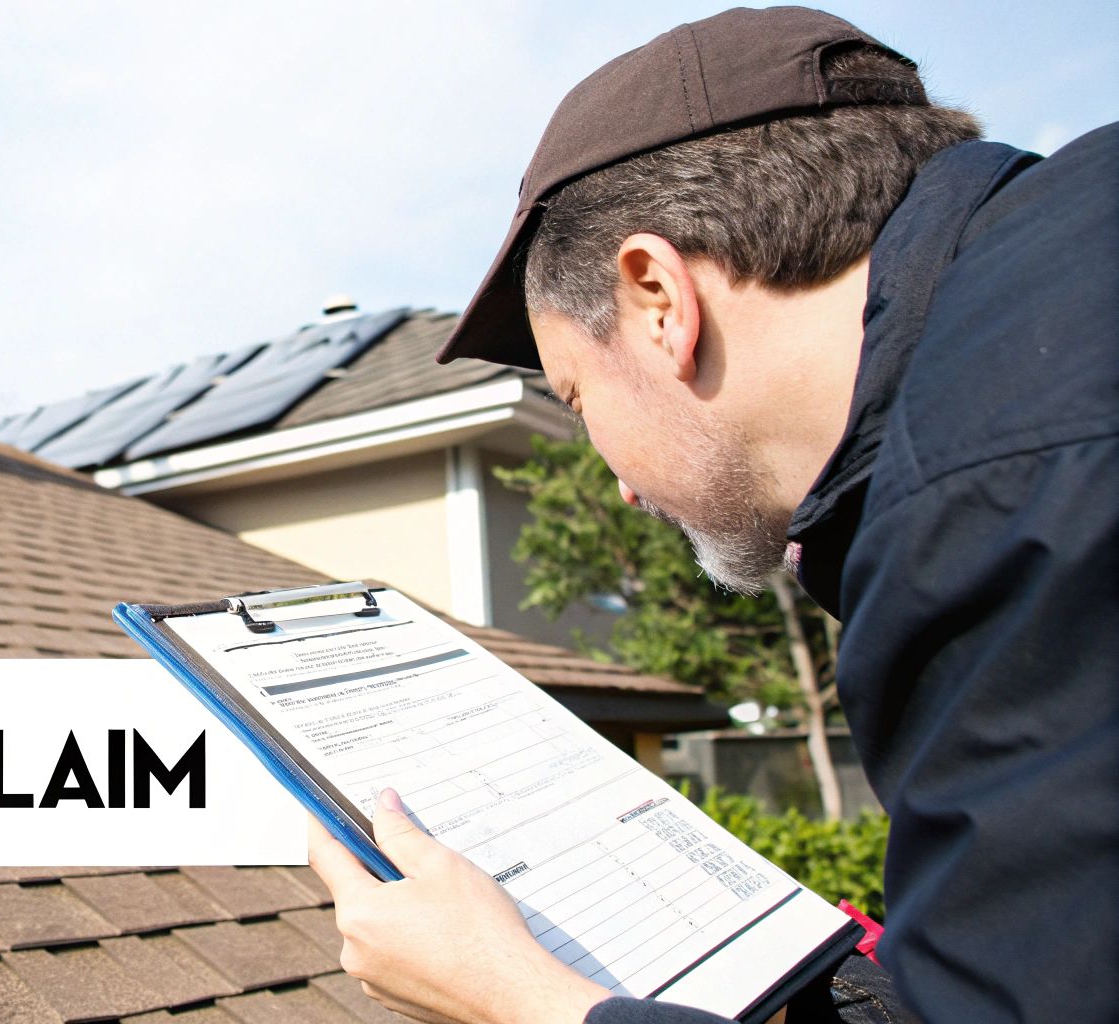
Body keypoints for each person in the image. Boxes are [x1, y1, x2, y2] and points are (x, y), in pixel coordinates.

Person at [306, 7, 1116, 1024]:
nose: (620, 486)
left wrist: (522, 999)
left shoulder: (989, 494)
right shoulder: (1050, 295)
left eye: (574, 398)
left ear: (656, 299)